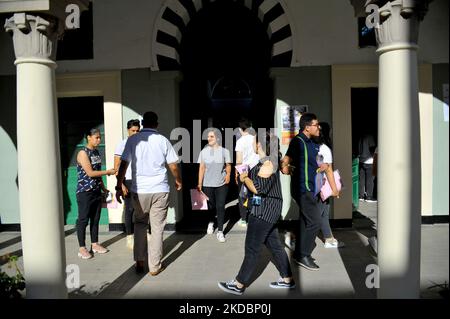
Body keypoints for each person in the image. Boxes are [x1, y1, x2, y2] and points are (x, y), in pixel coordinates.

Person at [218, 132, 295, 295]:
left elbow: (257, 189)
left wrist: (245, 177)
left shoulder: (268, 164)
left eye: (254, 141)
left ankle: (239, 284)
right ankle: (287, 279)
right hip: (269, 212)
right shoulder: (266, 162)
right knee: (275, 246)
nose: (252, 143)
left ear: (259, 144)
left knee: (252, 249)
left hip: (262, 213)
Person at [115, 111, 182, 275]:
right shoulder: (163, 140)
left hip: (139, 190)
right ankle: (155, 267)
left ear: (143, 123)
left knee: (139, 225)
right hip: (159, 189)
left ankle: (139, 261)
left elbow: (123, 165)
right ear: (156, 124)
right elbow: (173, 165)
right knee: (157, 228)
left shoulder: (132, 140)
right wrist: (178, 180)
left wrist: (119, 185)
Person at [280, 113, 322, 271]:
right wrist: (284, 166)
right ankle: (303, 254)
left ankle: (300, 253)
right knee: (315, 221)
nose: (318, 127)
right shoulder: (298, 141)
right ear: (307, 127)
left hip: (311, 188)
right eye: (316, 125)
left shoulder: (312, 142)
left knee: (306, 221)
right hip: (303, 189)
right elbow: (286, 159)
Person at [76, 128, 116, 259]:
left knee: (96, 219)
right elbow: (90, 173)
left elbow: (97, 174)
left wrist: (104, 188)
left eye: (100, 137)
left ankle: (95, 244)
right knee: (83, 220)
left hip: (96, 190)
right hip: (85, 192)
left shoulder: (96, 152)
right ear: (89, 137)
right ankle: (82, 248)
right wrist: (108, 172)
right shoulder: (83, 153)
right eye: (96, 137)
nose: (99, 140)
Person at [197, 128, 232, 242]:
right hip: (208, 183)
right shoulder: (204, 152)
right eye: (208, 136)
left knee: (221, 206)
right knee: (210, 206)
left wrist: (228, 175)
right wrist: (199, 183)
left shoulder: (225, 151)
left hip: (221, 183)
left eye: (211, 136)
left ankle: (221, 231)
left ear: (217, 138)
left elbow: (228, 165)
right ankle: (211, 222)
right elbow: (201, 168)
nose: (209, 138)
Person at [314, 122, 343, 249]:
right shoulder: (325, 148)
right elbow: (328, 171)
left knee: (323, 213)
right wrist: (335, 189)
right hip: (323, 185)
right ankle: (295, 237)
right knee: (317, 214)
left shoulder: (315, 146)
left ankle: (329, 238)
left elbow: (319, 167)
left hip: (318, 184)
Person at [114, 119, 141, 250]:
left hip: (141, 181)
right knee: (129, 209)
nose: (135, 133)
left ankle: (144, 235)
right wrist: (122, 184)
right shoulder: (122, 144)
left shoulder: (142, 144)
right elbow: (116, 167)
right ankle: (129, 237)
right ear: (128, 130)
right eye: (133, 131)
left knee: (142, 210)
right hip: (128, 181)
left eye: (137, 131)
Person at [234, 118, 259, 227]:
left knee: (242, 195)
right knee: (256, 192)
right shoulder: (255, 139)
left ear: (240, 129)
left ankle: (244, 218)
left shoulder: (240, 142)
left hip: (244, 170)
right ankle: (257, 214)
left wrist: (237, 173)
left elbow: (239, 160)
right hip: (257, 169)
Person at [358, 132, 377, 202]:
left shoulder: (361, 136)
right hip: (370, 160)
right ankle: (369, 196)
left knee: (361, 179)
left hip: (361, 160)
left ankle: (361, 196)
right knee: (370, 179)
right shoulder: (370, 136)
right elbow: (372, 148)